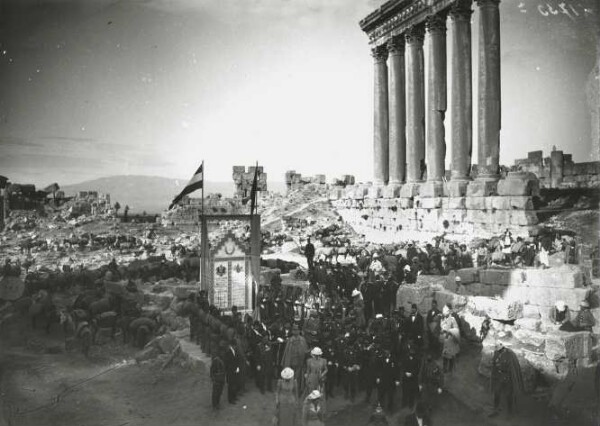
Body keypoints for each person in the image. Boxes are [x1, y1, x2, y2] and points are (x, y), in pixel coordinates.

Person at [489, 340, 524, 417]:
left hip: (508, 378)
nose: (497, 349)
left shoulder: (510, 354)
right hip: (499, 377)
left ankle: (510, 412)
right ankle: (495, 410)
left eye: (498, 347)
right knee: (496, 393)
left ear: (503, 346)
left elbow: (513, 368)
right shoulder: (496, 352)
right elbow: (494, 363)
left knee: (509, 395)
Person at [282, 324, 309, 395]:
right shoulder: (290, 340)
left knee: (299, 377)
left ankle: (299, 390)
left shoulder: (303, 340)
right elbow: (287, 353)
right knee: (291, 377)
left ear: (299, 331)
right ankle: (291, 390)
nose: (295, 331)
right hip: (292, 363)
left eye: (296, 329)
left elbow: (305, 351)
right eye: (293, 329)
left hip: (300, 362)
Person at [440, 304, 460, 373]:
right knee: (445, 355)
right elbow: (442, 327)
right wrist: (442, 331)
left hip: (451, 340)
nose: (444, 312)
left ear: (449, 311)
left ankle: (450, 369)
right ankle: (444, 368)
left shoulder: (452, 319)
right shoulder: (443, 319)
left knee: (451, 356)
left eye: (445, 311)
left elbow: (456, 329)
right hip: (445, 340)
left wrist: (450, 331)